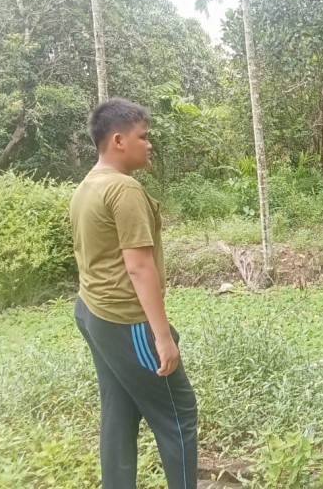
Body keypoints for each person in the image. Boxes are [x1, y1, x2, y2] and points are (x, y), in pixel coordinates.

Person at [70, 98, 197, 489]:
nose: (149, 144)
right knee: (179, 413)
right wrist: (162, 336)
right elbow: (138, 266)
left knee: (119, 411)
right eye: (144, 137)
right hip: (126, 321)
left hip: (91, 311)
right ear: (119, 141)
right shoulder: (123, 189)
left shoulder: (87, 185)